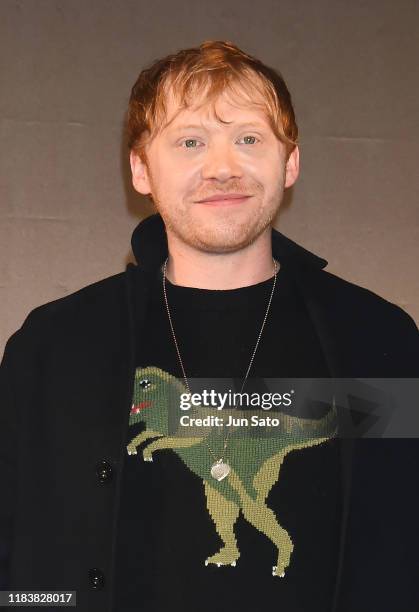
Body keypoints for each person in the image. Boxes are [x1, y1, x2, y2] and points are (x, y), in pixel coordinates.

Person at [1, 40, 418, 612]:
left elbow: (403, 543)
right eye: (190, 141)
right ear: (141, 169)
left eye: (249, 139)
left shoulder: (380, 341)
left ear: (290, 162)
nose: (223, 168)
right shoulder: (54, 348)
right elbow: (21, 568)